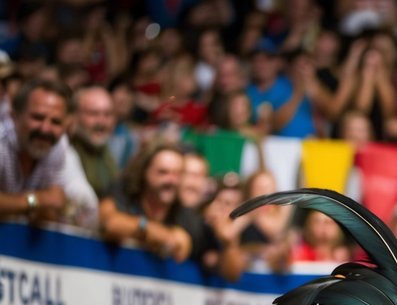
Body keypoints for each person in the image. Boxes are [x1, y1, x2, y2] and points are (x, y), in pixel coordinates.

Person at [98, 138, 245, 282]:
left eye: (178, 174)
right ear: (144, 171)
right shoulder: (125, 191)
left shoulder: (186, 215)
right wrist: (156, 232)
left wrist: (229, 243)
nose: (171, 180)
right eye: (163, 172)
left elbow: (231, 274)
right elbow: (109, 223)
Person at [0, 78, 98, 229]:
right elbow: (47, 201)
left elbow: (72, 207)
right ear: (15, 116)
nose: (46, 129)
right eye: (38, 117)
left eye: (56, 122)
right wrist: (36, 201)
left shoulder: (58, 146)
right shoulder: (2, 140)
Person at [66, 84, 120, 199]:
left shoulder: (110, 150)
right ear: (75, 115)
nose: (101, 122)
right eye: (93, 113)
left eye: (108, 114)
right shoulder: (66, 152)